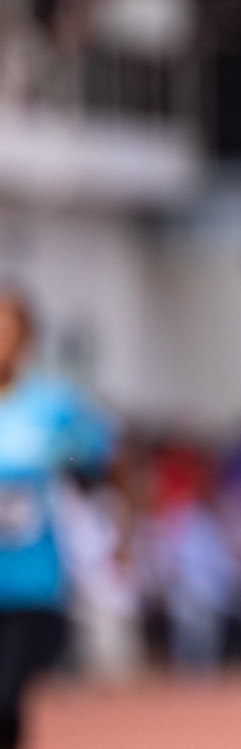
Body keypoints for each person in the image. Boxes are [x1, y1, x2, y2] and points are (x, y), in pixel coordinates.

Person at [0, 289, 116, 749]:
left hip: (32, 580)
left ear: (25, 339)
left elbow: (101, 455)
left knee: (6, 697)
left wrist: (75, 465)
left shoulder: (53, 404)